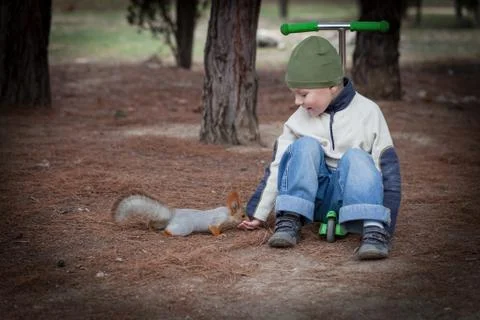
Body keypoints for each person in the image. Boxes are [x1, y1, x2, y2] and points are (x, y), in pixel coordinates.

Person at [237, 35, 401, 260]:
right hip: (313, 199)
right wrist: (259, 212)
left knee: (357, 157)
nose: (297, 102)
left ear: (332, 86)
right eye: (295, 94)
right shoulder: (298, 120)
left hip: (354, 199)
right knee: (304, 147)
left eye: (303, 94)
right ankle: (290, 219)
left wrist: (386, 223)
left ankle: (373, 231)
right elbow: (278, 167)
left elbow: (388, 170)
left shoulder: (369, 113)